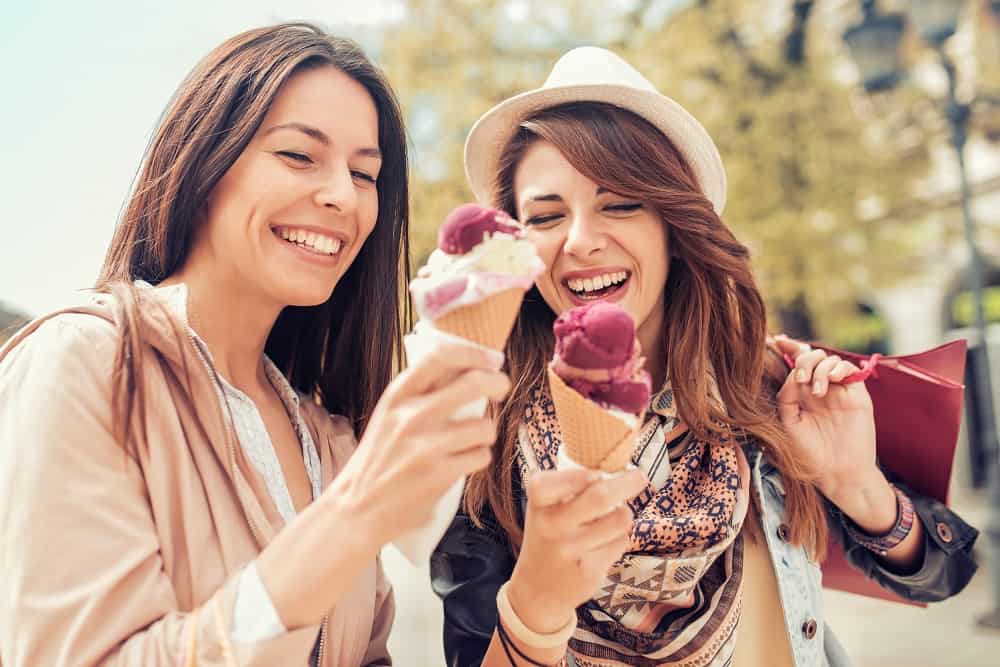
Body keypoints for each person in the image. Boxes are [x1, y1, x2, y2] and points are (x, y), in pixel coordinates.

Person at [431, 46, 979, 667]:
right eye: (547, 217)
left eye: (619, 204)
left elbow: (947, 575)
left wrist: (855, 484)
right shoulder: (483, 438)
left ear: (674, 222)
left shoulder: (770, 387)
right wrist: (538, 596)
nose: (580, 242)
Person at [0, 23, 509, 667]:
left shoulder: (329, 434)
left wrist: (539, 605)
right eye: (299, 156)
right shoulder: (82, 365)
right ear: (205, 162)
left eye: (364, 173)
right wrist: (355, 515)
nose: (341, 196)